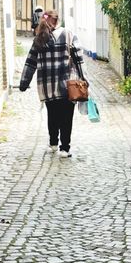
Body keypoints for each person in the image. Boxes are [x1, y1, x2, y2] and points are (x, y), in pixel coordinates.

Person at [19, 10, 87, 158]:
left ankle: (53, 144)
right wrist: (84, 79)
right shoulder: (69, 34)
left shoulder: (39, 38)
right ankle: (65, 148)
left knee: (52, 115)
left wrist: (24, 82)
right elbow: (79, 58)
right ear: (58, 20)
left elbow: (30, 62)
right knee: (66, 117)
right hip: (67, 85)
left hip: (47, 86)